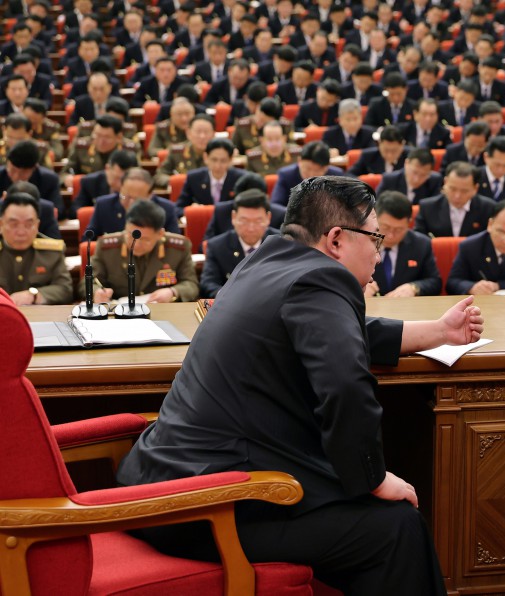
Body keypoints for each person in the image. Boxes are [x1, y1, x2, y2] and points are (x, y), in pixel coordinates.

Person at [116, 176, 483, 595]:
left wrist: (439, 332)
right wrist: (374, 479)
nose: (379, 255)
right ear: (337, 239)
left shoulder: (265, 261)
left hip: (162, 483)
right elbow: (345, 387)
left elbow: (338, 334)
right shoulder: (322, 279)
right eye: (375, 238)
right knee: (396, 528)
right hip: (210, 504)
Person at [88, 200, 199, 304]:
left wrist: (173, 292)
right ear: (126, 227)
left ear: (160, 234)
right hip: (118, 311)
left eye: (145, 239)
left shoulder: (178, 248)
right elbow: (89, 281)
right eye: (131, 236)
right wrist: (96, 292)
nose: (136, 244)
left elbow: (191, 284)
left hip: (161, 310)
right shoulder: (106, 247)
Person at [446, 200, 505, 295]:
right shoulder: (470, 246)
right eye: (501, 232)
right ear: (490, 225)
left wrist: (498, 286)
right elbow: (453, 281)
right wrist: (471, 287)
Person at [200, 191, 278, 298]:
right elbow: (208, 283)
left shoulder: (283, 244)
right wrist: (227, 297)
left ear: (268, 218)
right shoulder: (217, 247)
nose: (251, 228)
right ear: (234, 217)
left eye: (258, 221)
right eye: (244, 221)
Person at [366, 191, 442, 297]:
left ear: (409, 223)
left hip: (406, 305)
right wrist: (357, 287)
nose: (391, 235)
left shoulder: (421, 244)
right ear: (374, 218)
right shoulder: (359, 241)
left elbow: (435, 282)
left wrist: (414, 287)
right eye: (386, 227)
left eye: (399, 229)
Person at [0, 193, 71, 305]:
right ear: (1, 224)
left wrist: (35, 295)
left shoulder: (52, 252)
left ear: (37, 225)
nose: (21, 232)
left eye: (28, 225)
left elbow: (65, 289)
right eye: (14, 224)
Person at [85, 168, 180, 238]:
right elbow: (88, 240)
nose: (131, 203)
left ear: (150, 196)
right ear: (121, 188)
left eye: (137, 199)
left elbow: (174, 245)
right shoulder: (103, 205)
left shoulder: (167, 209)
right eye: (126, 197)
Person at [414, 161, 494, 237]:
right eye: (452, 189)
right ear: (445, 183)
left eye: (464, 191)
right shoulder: (428, 207)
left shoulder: (488, 208)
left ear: (475, 189)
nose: (457, 196)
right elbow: (420, 241)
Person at [175, 138, 243, 215]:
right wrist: (192, 211)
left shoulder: (241, 179)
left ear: (230, 160)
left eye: (223, 161)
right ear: (206, 157)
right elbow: (178, 209)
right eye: (214, 160)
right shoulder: (193, 178)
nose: (218, 166)